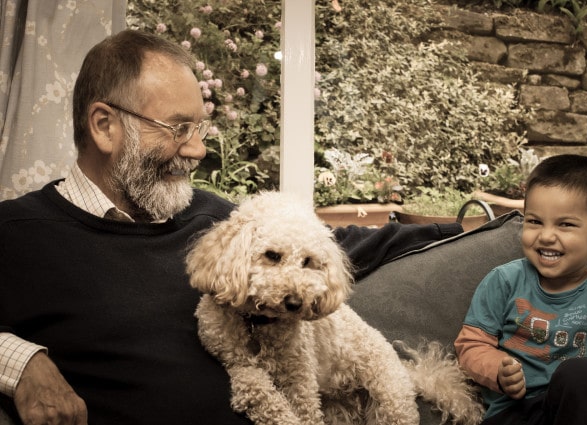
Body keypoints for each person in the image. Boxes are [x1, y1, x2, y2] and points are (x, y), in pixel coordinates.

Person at [0, 29, 463, 425]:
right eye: (179, 128)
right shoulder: (19, 233)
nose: (198, 150)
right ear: (104, 126)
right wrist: (22, 363)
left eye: (200, 129)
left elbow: (341, 244)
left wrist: (475, 226)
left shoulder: (214, 217)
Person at [454, 154, 587, 425]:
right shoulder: (504, 281)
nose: (546, 236)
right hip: (517, 410)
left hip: (580, 410)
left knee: (581, 373)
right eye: (535, 221)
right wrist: (498, 371)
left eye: (565, 224)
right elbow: (470, 345)